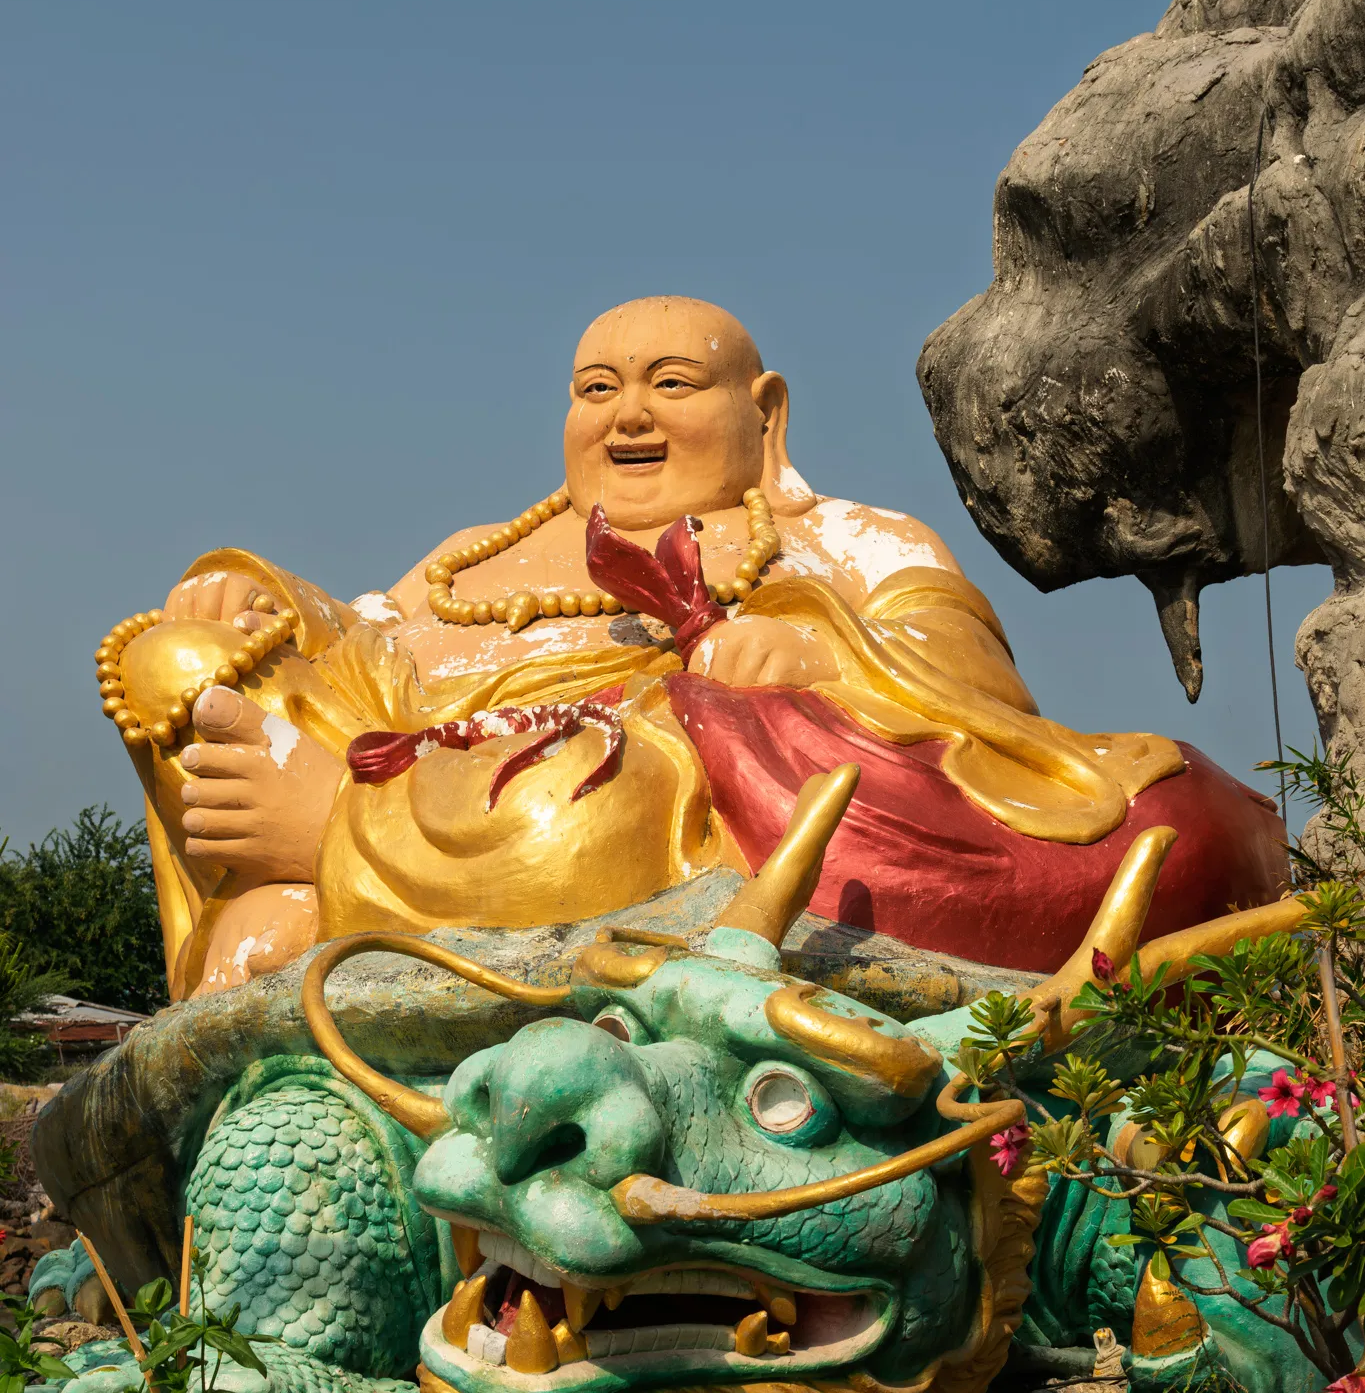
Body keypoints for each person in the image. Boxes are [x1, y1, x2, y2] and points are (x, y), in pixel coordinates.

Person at [101, 296, 1284, 996]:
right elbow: (366, 650)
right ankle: (331, 869)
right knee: (174, 664)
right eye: (597, 387)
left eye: (671, 384)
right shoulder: (475, 555)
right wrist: (259, 614)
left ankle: (343, 856)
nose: (627, 416)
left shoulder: (846, 535)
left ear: (763, 414)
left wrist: (823, 658)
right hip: (427, 766)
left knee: (665, 754)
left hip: (611, 808)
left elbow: (976, 687)